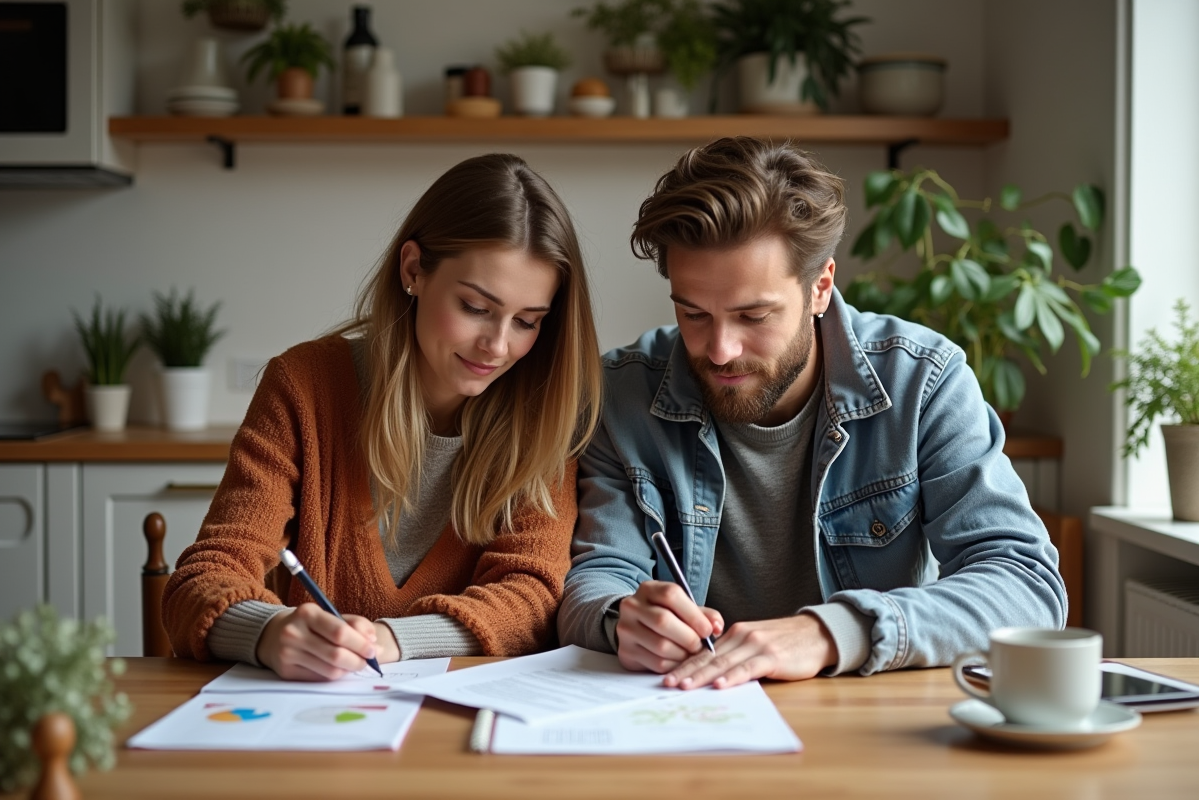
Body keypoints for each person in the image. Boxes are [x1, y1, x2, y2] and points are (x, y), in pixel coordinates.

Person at [557, 137, 1066, 690]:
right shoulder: (621, 393)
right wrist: (620, 619)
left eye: (754, 315)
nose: (721, 348)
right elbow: (596, 579)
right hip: (689, 717)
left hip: (868, 725)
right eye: (694, 313)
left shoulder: (923, 382)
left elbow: (1027, 586)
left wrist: (832, 632)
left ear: (820, 286)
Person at [164, 154, 602, 681]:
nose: (498, 346)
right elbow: (205, 576)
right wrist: (269, 633)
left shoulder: (545, 413)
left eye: (528, 322)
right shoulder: (303, 386)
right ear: (413, 269)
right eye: (475, 308)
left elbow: (532, 599)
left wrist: (391, 640)